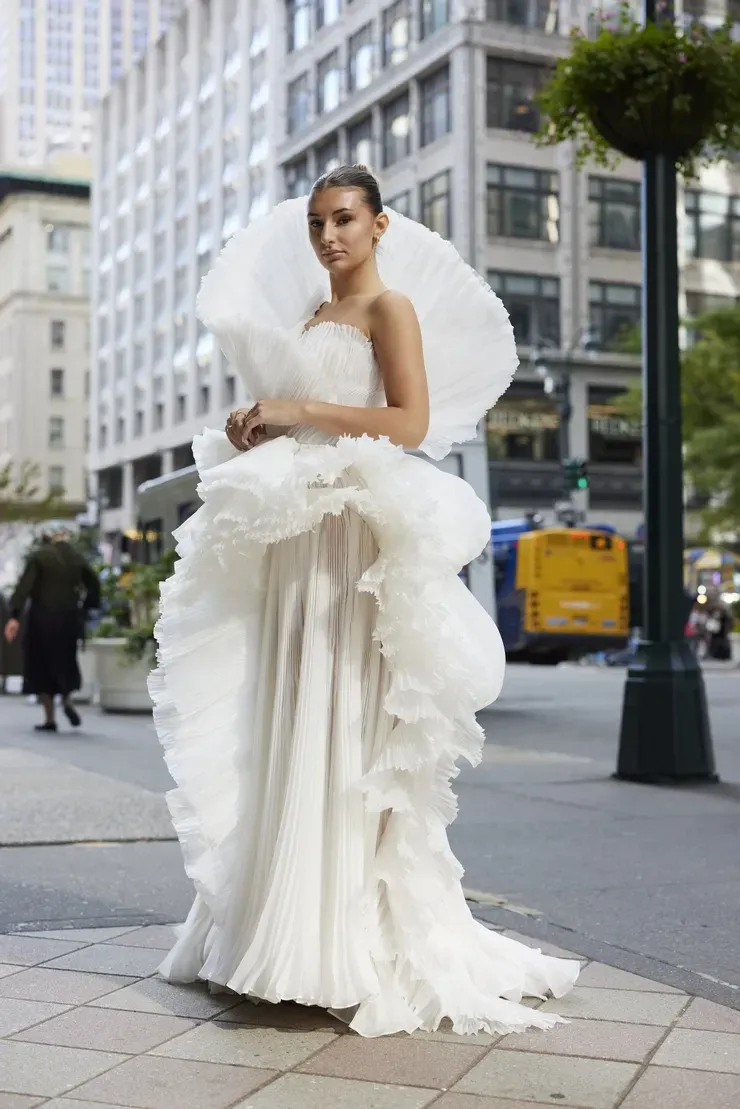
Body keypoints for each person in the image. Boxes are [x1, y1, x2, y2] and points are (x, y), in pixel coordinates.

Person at [150, 165, 579, 1037]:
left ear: (379, 225)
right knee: (287, 705)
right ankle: (278, 923)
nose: (328, 237)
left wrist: (302, 405)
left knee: (342, 707)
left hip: (350, 526)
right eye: (316, 223)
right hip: (296, 526)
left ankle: (340, 937)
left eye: (343, 219)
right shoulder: (311, 316)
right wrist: (257, 420)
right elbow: (308, 412)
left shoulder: (391, 310)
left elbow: (410, 423)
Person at [4, 525, 100, 731]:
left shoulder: (39, 557)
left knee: (41, 663)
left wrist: (15, 615)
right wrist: (86, 607)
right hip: (69, 618)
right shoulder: (76, 557)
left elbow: (25, 586)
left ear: (44, 536)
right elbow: (94, 583)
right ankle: (66, 698)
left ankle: (50, 718)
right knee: (65, 659)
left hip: (42, 618)